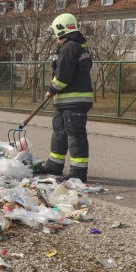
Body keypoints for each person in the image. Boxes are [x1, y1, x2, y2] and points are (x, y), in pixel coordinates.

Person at [36, 13, 93, 183]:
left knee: (75, 135)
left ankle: (78, 173)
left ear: (61, 30)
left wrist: (52, 89)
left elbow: (63, 75)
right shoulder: (75, 46)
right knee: (59, 132)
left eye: (55, 32)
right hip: (65, 101)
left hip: (74, 101)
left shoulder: (70, 47)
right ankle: (54, 165)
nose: (54, 36)